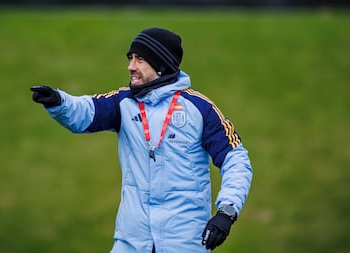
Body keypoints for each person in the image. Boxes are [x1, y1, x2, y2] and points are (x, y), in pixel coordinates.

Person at [30, 27, 253, 252]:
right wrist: (59, 101)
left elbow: (236, 160)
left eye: (139, 59)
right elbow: (86, 111)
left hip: (185, 244)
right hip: (132, 242)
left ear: (161, 65)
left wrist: (227, 211)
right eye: (130, 59)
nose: (130, 67)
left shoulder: (200, 108)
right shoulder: (122, 102)